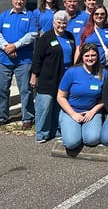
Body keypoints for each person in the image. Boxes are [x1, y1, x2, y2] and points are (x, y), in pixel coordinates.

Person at [30, 10, 76, 143]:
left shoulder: (70, 36)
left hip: (64, 76)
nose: (61, 25)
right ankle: (42, 133)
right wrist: (34, 75)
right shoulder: (46, 38)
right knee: (45, 105)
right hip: (47, 78)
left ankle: (55, 131)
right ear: (53, 23)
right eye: (59, 22)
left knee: (59, 105)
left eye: (64, 22)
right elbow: (37, 58)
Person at [57, 43, 106, 153]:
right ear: (82, 56)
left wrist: (93, 111)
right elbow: (60, 97)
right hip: (71, 111)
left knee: (91, 139)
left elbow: (105, 98)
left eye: (93, 55)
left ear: (97, 56)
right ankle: (67, 127)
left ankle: (82, 129)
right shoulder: (71, 72)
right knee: (71, 143)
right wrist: (73, 114)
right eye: (87, 55)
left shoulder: (103, 73)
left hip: (91, 112)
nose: (90, 58)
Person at [0, 0, 37, 128]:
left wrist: (14, 46)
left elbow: (32, 35)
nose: (19, 1)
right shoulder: (3, 16)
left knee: (25, 90)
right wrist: (6, 48)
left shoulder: (31, 16)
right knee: (2, 88)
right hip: (4, 59)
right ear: (12, 0)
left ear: (25, 1)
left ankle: (27, 117)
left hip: (24, 60)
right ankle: (2, 116)